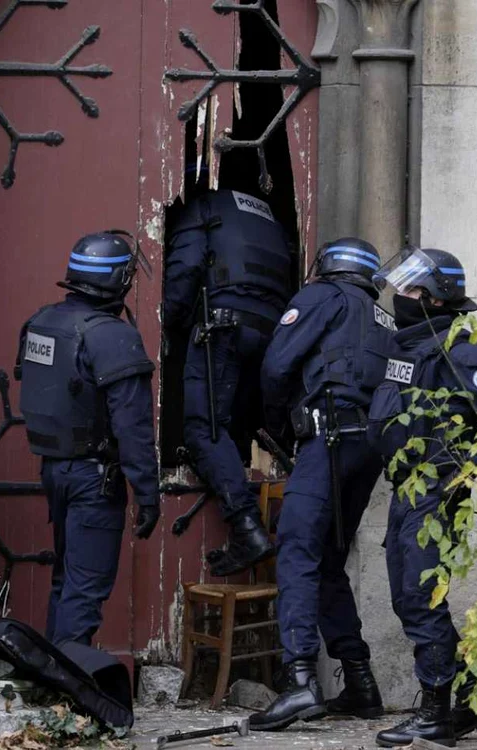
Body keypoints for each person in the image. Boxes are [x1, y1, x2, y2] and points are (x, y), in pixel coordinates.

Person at [250, 237, 395, 731]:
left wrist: (278, 428)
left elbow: (275, 366)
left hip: (327, 438)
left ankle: (299, 682)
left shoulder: (320, 297)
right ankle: (360, 683)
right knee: (330, 560)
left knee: (295, 550)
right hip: (369, 446)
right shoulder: (384, 318)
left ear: (328, 266)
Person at [368, 246, 477, 747]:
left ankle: (438, 711)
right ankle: (465, 703)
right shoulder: (410, 345)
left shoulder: (460, 349)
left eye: (413, 290)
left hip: (436, 489)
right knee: (406, 595)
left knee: (420, 594)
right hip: (408, 488)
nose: (402, 297)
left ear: (439, 298)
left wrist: (463, 476)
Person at [16, 231, 160, 647]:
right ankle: (69, 692)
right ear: (120, 281)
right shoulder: (112, 336)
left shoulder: (41, 322)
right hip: (94, 480)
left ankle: (51, 682)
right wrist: (147, 494)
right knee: (85, 587)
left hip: (55, 471)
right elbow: (132, 426)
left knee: (66, 580)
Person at [164, 187, 292, 577]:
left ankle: (246, 527)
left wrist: (167, 324)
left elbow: (185, 269)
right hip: (270, 334)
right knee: (234, 430)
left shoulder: (203, 208)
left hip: (222, 328)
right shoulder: (268, 216)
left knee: (204, 432)